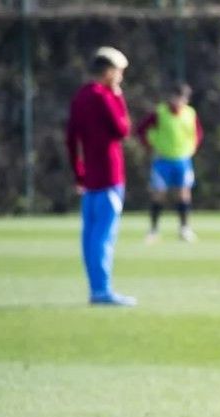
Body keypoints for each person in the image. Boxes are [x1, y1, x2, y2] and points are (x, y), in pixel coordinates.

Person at [65, 46, 135, 306]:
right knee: (104, 236)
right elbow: (122, 129)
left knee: (90, 234)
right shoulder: (104, 97)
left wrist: (78, 171)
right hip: (110, 175)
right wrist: (118, 97)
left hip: (91, 177)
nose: (120, 78)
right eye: (118, 72)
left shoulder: (81, 96)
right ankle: (101, 290)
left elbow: (71, 138)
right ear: (107, 71)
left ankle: (96, 287)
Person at [137, 82, 203, 243]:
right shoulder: (160, 112)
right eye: (177, 97)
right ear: (171, 97)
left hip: (182, 160)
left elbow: (198, 134)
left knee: (184, 194)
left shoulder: (190, 113)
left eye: (183, 98)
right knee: (159, 194)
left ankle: (184, 229)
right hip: (162, 160)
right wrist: (150, 146)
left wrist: (192, 148)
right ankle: (153, 230)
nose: (179, 101)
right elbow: (141, 130)